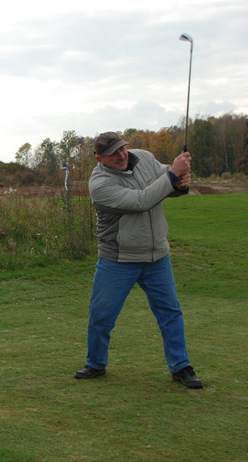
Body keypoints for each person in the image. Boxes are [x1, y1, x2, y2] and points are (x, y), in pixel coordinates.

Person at [74, 132, 202, 389]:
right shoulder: (99, 185)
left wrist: (182, 182)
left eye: (122, 149)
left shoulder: (144, 158)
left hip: (157, 255)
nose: (121, 155)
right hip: (118, 259)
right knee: (102, 315)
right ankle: (96, 363)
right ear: (100, 159)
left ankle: (181, 367)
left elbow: (169, 182)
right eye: (113, 154)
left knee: (170, 312)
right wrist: (173, 175)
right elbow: (142, 201)